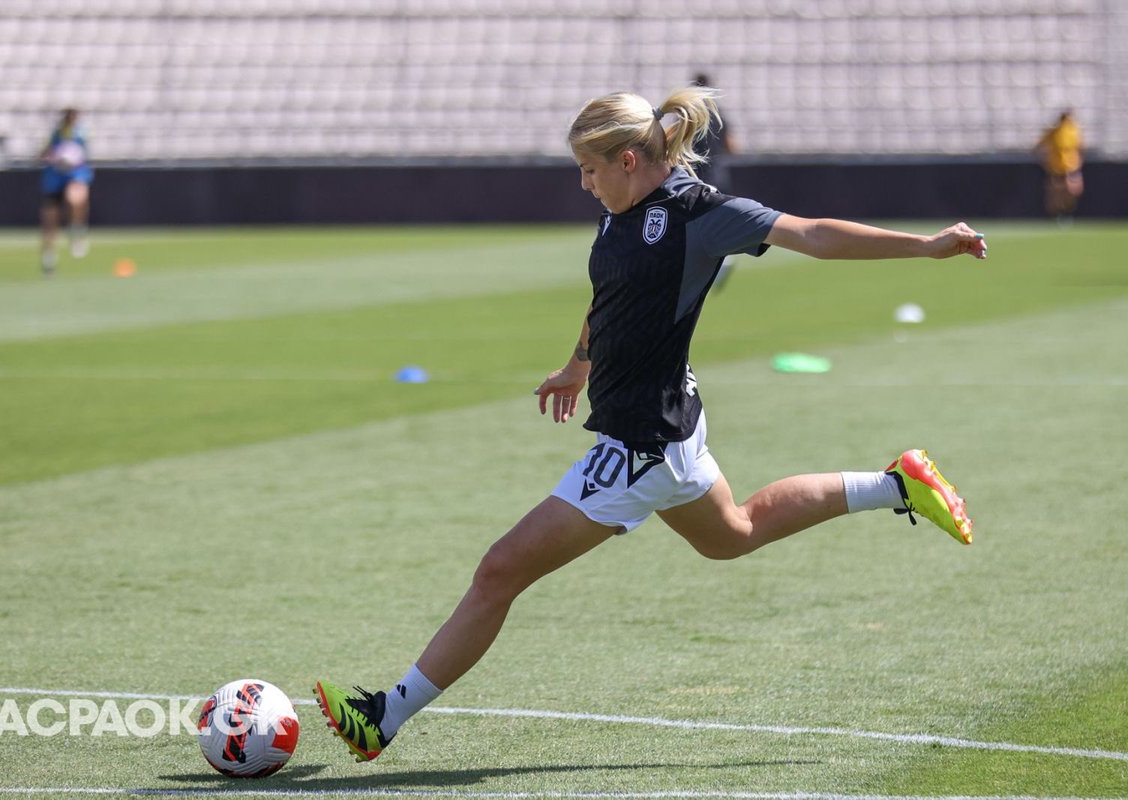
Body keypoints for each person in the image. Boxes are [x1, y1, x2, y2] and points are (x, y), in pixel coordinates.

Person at [312, 86, 985, 763]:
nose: (584, 184)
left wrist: (927, 247)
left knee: (499, 571)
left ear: (629, 159)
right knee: (734, 533)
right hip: (670, 428)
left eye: (590, 170)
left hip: (642, 446)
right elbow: (610, 295)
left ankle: (383, 718)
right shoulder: (620, 208)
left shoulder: (700, 212)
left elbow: (810, 233)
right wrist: (578, 364)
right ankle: (898, 484)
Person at [691, 73, 740, 289]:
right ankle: (720, 261)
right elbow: (733, 149)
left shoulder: (687, 115)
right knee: (713, 223)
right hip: (719, 177)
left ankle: (716, 263)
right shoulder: (719, 116)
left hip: (695, 179)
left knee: (695, 225)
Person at [39, 108, 93, 275]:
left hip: (74, 174)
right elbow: (43, 154)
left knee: (76, 197)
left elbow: (83, 156)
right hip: (54, 178)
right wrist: (53, 158)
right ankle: (49, 259)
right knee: (50, 222)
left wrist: (72, 162)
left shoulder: (80, 134)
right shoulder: (55, 134)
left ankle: (76, 230)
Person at [1033, 109, 1084, 224]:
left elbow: (1080, 147)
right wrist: (1045, 160)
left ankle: (1067, 212)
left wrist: (1078, 161)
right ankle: (1058, 214)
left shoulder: (1074, 131)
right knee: (1056, 193)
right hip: (1056, 168)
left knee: (1071, 191)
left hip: (1071, 167)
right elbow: (1038, 147)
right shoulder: (1054, 132)